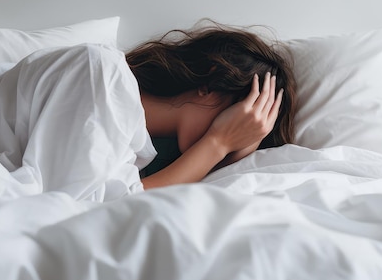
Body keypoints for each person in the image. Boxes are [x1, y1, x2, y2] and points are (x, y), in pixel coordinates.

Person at [126, 23, 296, 190]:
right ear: (209, 85)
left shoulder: (156, 158)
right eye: (237, 122)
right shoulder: (108, 80)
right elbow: (118, 204)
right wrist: (218, 142)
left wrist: (223, 155)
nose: (233, 141)